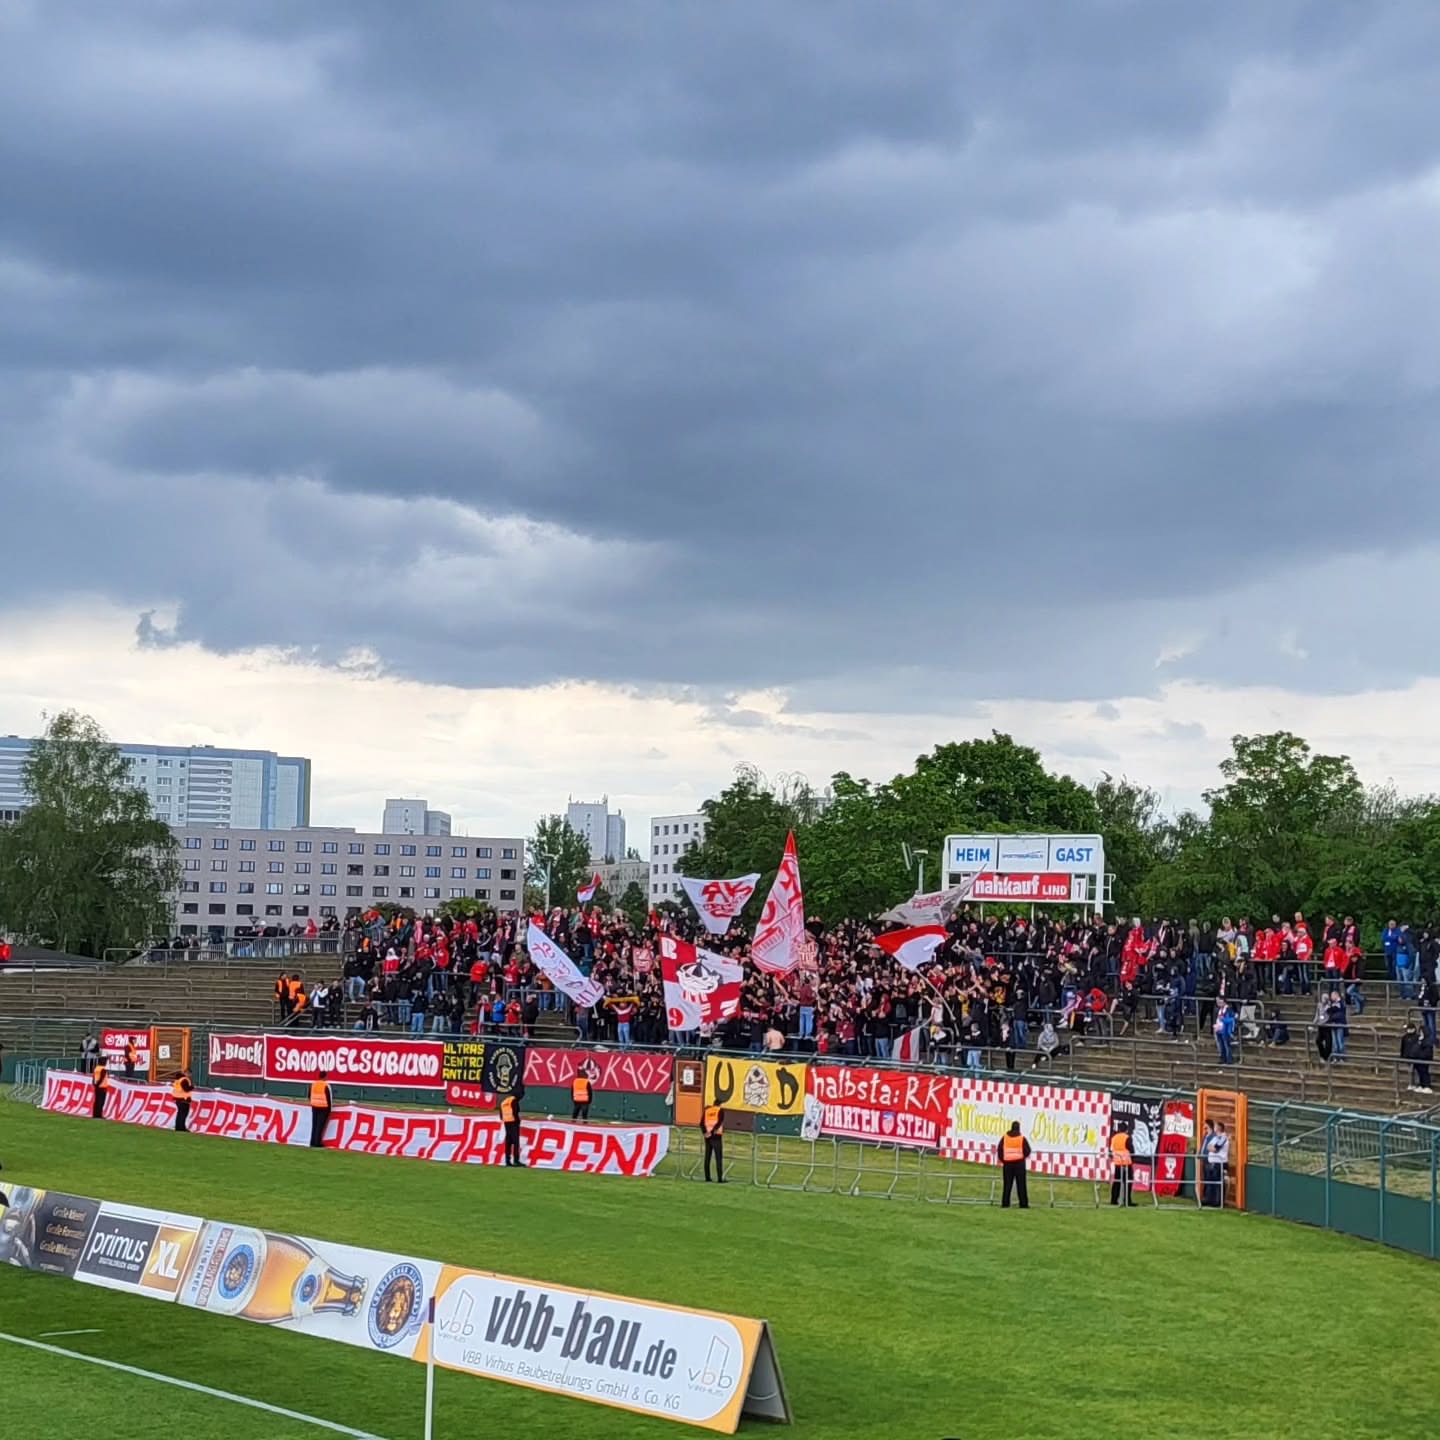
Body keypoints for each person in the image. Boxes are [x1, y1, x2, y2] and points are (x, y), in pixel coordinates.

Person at [997, 1121, 1031, 1209]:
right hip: (1019, 1164)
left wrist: (1004, 1160)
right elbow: (1028, 1150)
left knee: (1007, 1185)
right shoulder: (1021, 1138)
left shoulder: (1005, 1138)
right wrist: (1022, 1157)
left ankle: (1005, 1203)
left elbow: (999, 1150)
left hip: (1007, 1164)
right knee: (1021, 1185)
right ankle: (1023, 1204)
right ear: (1019, 1128)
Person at [1201, 1120, 1231, 1207]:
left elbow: (1216, 1148)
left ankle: (1218, 1201)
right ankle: (1209, 1199)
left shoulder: (1223, 1137)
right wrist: (1211, 1148)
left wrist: (1212, 1148)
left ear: (1218, 1128)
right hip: (1212, 1163)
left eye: (1215, 1126)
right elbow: (1208, 1146)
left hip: (1219, 1164)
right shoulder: (1215, 1137)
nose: (1214, 1127)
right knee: (1211, 1182)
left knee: (1218, 1183)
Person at [1110, 1123, 1136, 1206]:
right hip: (1126, 1163)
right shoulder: (1127, 1138)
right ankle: (1127, 1201)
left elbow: (1111, 1150)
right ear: (1126, 1130)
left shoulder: (1114, 1138)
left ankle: (1113, 1200)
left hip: (1117, 1163)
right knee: (1127, 1182)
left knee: (1116, 1182)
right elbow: (1132, 1150)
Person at [309, 1069, 333, 1148]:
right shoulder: (326, 1085)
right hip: (323, 1107)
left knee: (314, 1125)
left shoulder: (313, 1084)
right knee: (320, 1126)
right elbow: (329, 1098)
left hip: (314, 1106)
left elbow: (309, 1095)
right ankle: (317, 1142)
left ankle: (312, 1141)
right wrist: (330, 1109)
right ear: (325, 1076)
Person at [702, 1103, 725, 1183]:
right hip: (716, 1136)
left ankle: (707, 1177)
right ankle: (719, 1178)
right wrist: (712, 1132)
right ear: (719, 1104)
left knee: (707, 1157)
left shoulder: (707, 1110)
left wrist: (705, 1133)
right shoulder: (720, 1110)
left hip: (707, 1137)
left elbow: (701, 1123)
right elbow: (719, 1122)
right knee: (718, 1158)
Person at [501, 1091, 524, 1167]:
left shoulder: (504, 1101)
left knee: (508, 1142)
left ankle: (507, 1161)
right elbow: (515, 1112)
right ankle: (516, 1161)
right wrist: (518, 1121)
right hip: (513, 1122)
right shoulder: (514, 1100)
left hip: (506, 1123)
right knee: (516, 1142)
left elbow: (501, 1114)